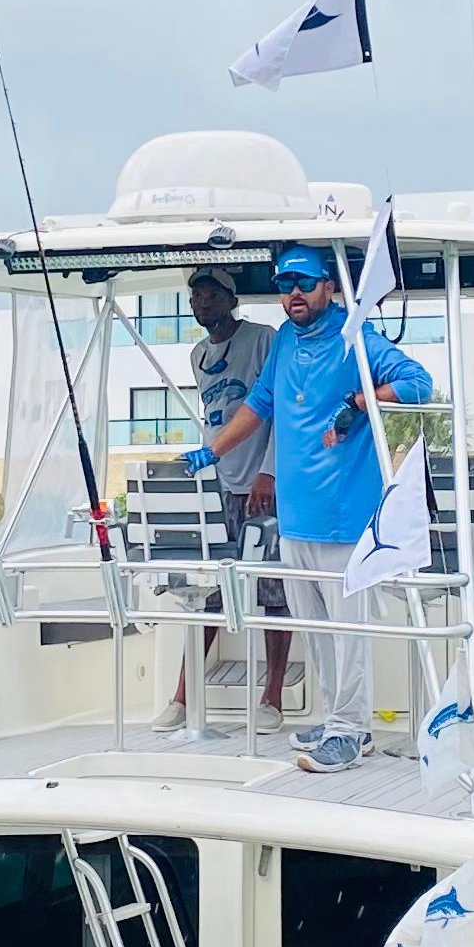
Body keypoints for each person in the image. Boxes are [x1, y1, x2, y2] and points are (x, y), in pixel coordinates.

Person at [187, 242, 434, 774]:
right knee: (316, 630)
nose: (293, 293)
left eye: (303, 282)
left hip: (345, 519)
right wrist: (213, 450)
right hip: (295, 519)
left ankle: (349, 730)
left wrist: (360, 402)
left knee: (348, 634)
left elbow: (419, 383)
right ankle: (340, 721)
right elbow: (259, 403)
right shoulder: (284, 341)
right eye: (284, 285)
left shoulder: (355, 337)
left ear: (329, 286)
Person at [160, 265, 293, 727]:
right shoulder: (198, 354)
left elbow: (280, 411)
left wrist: (268, 472)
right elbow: (214, 418)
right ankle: (182, 697)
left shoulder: (263, 339)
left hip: (263, 486)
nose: (203, 303)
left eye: (213, 295)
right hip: (218, 486)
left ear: (232, 299)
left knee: (274, 593)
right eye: (196, 296)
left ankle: (272, 698)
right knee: (209, 592)